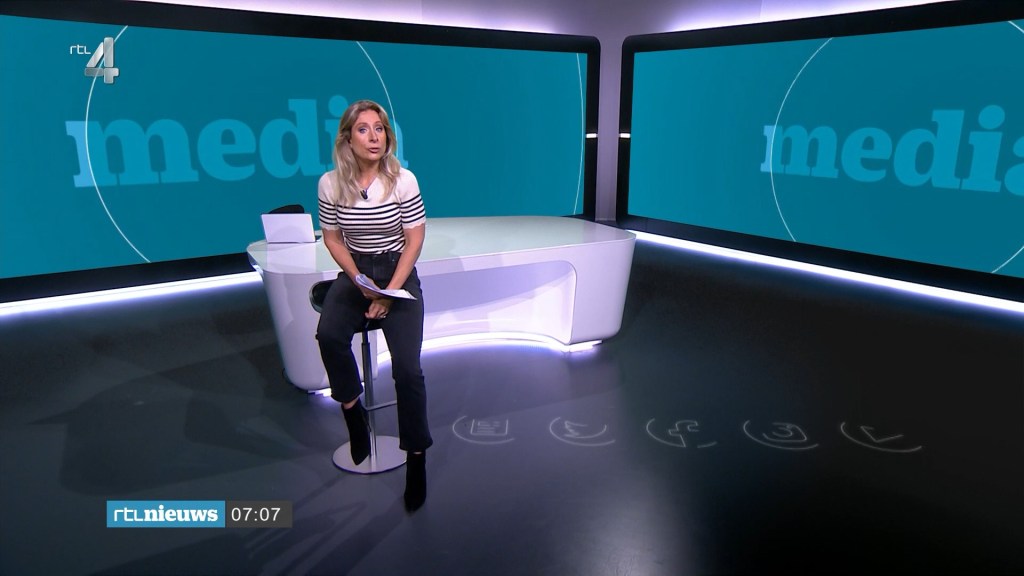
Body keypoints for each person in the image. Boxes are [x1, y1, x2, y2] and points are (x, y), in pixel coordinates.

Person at [315, 99, 431, 512]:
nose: (374, 137)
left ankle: (416, 457)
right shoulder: (330, 184)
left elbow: (414, 240)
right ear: (347, 139)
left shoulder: (403, 180)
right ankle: (353, 411)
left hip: (398, 271)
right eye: (363, 129)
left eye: (379, 128)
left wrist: (386, 294)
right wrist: (356, 279)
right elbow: (332, 238)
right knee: (329, 336)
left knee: (408, 371)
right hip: (357, 270)